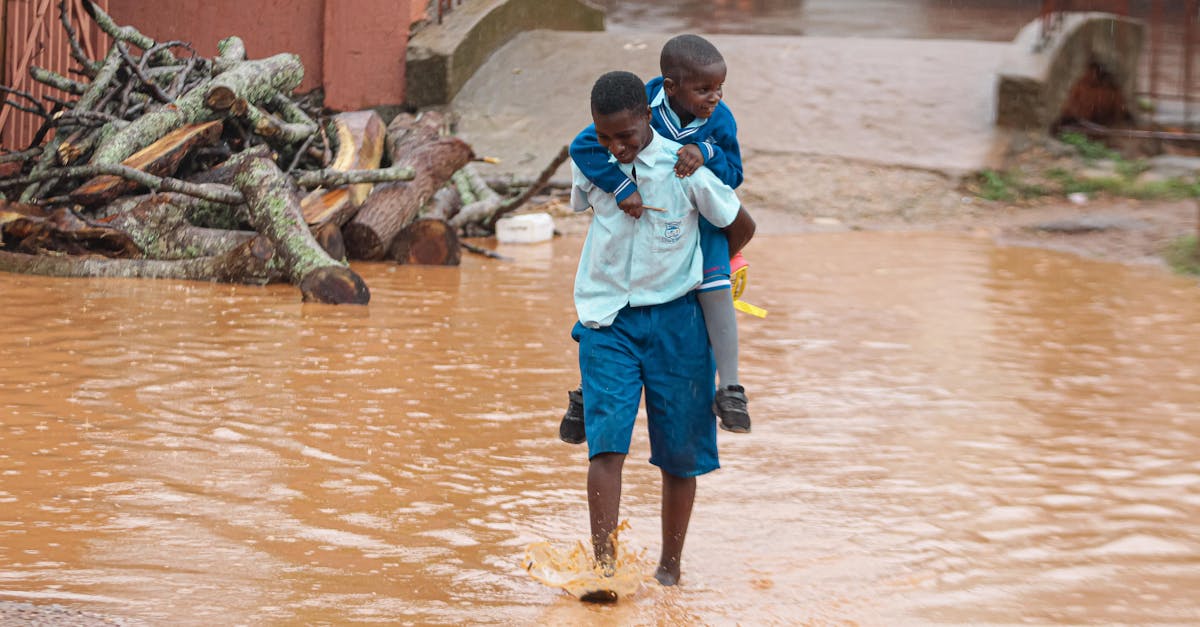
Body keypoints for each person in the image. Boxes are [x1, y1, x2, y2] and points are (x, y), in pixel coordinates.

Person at [569, 70, 755, 599]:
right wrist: (613, 171)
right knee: (606, 448)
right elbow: (586, 191)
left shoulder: (685, 168)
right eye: (605, 138)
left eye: (625, 136)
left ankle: (669, 570)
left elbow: (740, 220)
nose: (616, 147)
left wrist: (722, 259)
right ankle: (603, 573)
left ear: (648, 117)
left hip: (678, 324)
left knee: (680, 453)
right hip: (609, 322)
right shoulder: (594, 167)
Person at [560, 34, 751, 445]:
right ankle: (584, 392)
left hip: (699, 214)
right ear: (668, 88)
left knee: (714, 286)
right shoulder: (638, 106)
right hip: (643, 210)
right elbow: (583, 146)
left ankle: (732, 388)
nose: (713, 97)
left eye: (719, 88)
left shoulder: (721, 119)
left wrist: (705, 151)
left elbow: (735, 173)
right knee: (611, 284)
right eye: (703, 89)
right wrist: (618, 188)